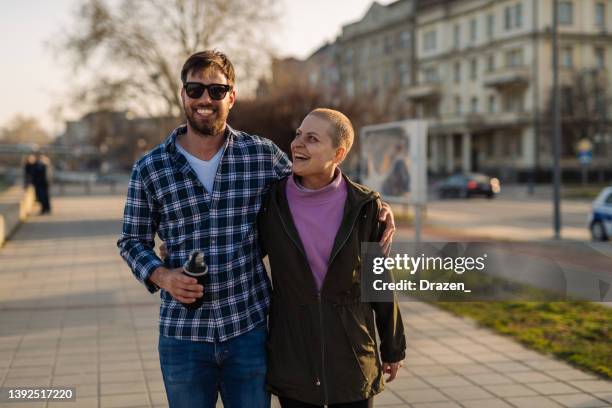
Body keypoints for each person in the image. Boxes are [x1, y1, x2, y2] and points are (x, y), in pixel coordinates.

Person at [117, 50, 396, 408]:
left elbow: (318, 181)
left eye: (217, 91)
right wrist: (161, 275)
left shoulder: (260, 155)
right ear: (183, 94)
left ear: (231, 96)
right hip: (183, 337)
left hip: (248, 332)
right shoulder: (150, 168)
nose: (205, 99)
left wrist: (374, 205)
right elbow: (131, 240)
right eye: (195, 89)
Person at [258, 109, 406, 408]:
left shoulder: (365, 207)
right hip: (294, 359)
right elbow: (239, 248)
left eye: (312, 138)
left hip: (352, 359)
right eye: (299, 134)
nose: (298, 144)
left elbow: (378, 282)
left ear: (338, 153)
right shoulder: (270, 202)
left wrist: (393, 348)